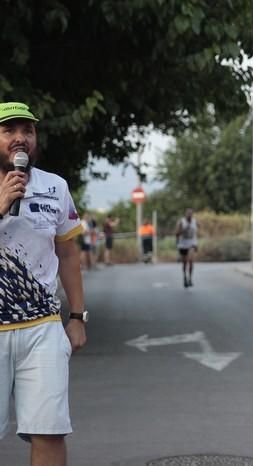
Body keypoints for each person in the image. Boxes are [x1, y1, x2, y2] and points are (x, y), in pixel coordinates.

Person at [0, 102, 87, 466]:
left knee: (49, 432)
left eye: (28, 130)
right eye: (9, 130)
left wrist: (78, 316)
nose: (20, 138)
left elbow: (67, 255)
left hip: (43, 328)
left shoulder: (55, 186)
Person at [175, 208, 197, 287]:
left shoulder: (195, 221)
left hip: (191, 244)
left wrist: (196, 244)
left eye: (191, 214)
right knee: (184, 263)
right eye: (188, 214)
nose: (189, 215)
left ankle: (190, 279)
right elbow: (176, 233)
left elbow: (198, 230)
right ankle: (184, 277)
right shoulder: (181, 222)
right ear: (185, 214)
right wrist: (183, 230)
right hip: (183, 244)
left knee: (191, 261)